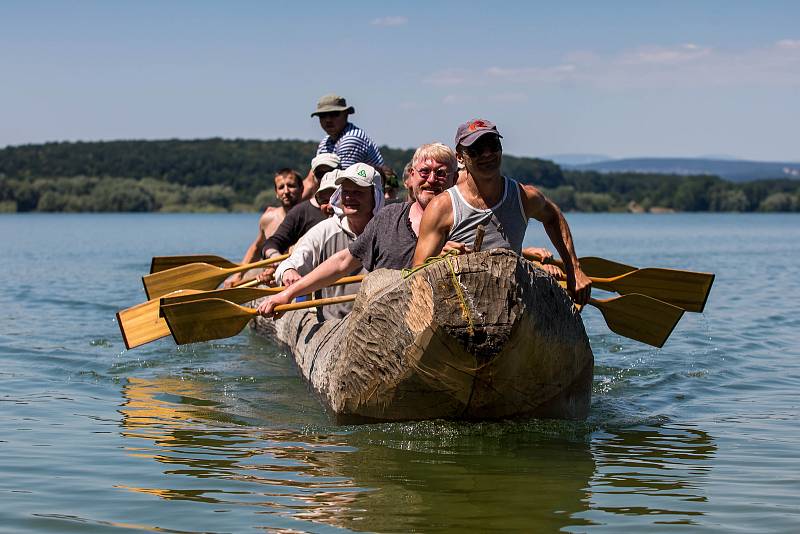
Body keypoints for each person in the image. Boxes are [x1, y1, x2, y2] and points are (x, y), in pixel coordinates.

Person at [256, 143, 457, 318]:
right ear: (412, 176)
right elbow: (342, 262)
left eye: (440, 173)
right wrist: (286, 293)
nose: (431, 179)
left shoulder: (466, 221)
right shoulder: (387, 218)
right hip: (378, 329)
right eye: (424, 172)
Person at [411, 119, 592, 306]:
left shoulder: (524, 197)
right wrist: (440, 260)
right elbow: (417, 273)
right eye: (477, 149)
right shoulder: (442, 207)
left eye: (493, 145)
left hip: (510, 305)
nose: (487, 154)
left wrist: (574, 270)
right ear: (460, 158)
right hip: (458, 307)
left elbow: (553, 216)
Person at [262, 162, 384, 320]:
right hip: (332, 325)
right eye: (346, 191)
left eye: (358, 192)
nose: (349, 197)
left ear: (375, 196)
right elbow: (290, 262)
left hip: (379, 321)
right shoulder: (326, 230)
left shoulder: (387, 229)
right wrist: (288, 271)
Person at [222, 168, 303, 288]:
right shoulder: (268, 219)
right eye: (281, 187)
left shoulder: (310, 217)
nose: (286, 191)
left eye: (291, 186)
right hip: (272, 280)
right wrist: (238, 275)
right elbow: (257, 248)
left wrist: (273, 271)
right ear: (276, 192)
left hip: (299, 279)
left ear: (301, 189)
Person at [301, 94, 384, 199]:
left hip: (370, 197)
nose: (328, 120)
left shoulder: (351, 139)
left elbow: (343, 182)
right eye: (323, 116)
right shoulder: (325, 142)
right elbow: (311, 180)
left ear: (346, 115)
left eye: (334, 114)